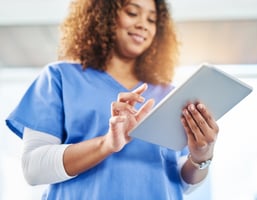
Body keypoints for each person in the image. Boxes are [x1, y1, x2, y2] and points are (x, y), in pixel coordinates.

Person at [5, 0, 219, 199]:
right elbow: (33, 168)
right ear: (103, 15)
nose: (143, 25)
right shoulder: (60, 78)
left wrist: (201, 156)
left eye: (152, 20)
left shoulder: (170, 94)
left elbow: (181, 180)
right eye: (132, 12)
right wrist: (106, 144)